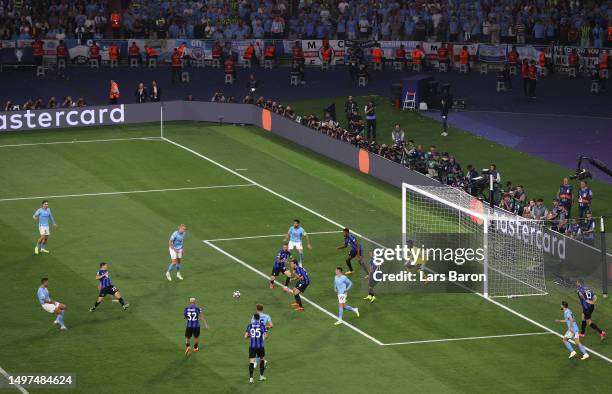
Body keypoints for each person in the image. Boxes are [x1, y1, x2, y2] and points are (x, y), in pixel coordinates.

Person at [245, 313, 268, 383]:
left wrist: (251, 336)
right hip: (260, 346)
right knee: (262, 360)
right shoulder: (262, 325)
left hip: (252, 347)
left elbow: (245, 337)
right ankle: (261, 376)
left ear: (254, 318)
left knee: (251, 361)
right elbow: (266, 335)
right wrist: (261, 337)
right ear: (259, 319)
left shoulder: (249, 326)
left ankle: (251, 379)